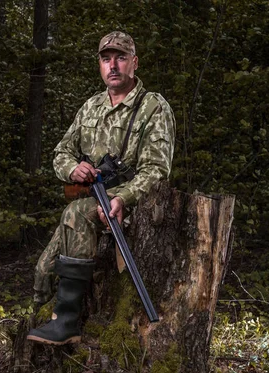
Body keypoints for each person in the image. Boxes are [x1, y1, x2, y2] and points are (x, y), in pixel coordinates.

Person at [27, 31, 175, 345]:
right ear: (100, 65)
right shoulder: (91, 106)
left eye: (121, 57)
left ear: (134, 62)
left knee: (76, 213)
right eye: (106, 59)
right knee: (43, 270)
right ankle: (40, 315)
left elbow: (156, 170)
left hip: (135, 202)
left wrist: (124, 197)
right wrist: (73, 168)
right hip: (94, 196)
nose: (113, 65)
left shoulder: (152, 107)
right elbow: (61, 154)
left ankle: (66, 323)